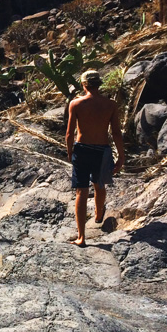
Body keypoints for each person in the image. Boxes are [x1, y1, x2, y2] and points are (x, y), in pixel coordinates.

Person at [66, 70, 125, 247]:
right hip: (102, 150)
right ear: (100, 84)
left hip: (82, 149)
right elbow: (116, 132)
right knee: (99, 185)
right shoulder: (111, 105)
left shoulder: (75, 104)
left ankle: (81, 237)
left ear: (83, 85)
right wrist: (121, 155)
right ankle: (99, 214)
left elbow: (69, 133)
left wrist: (70, 152)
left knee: (81, 191)